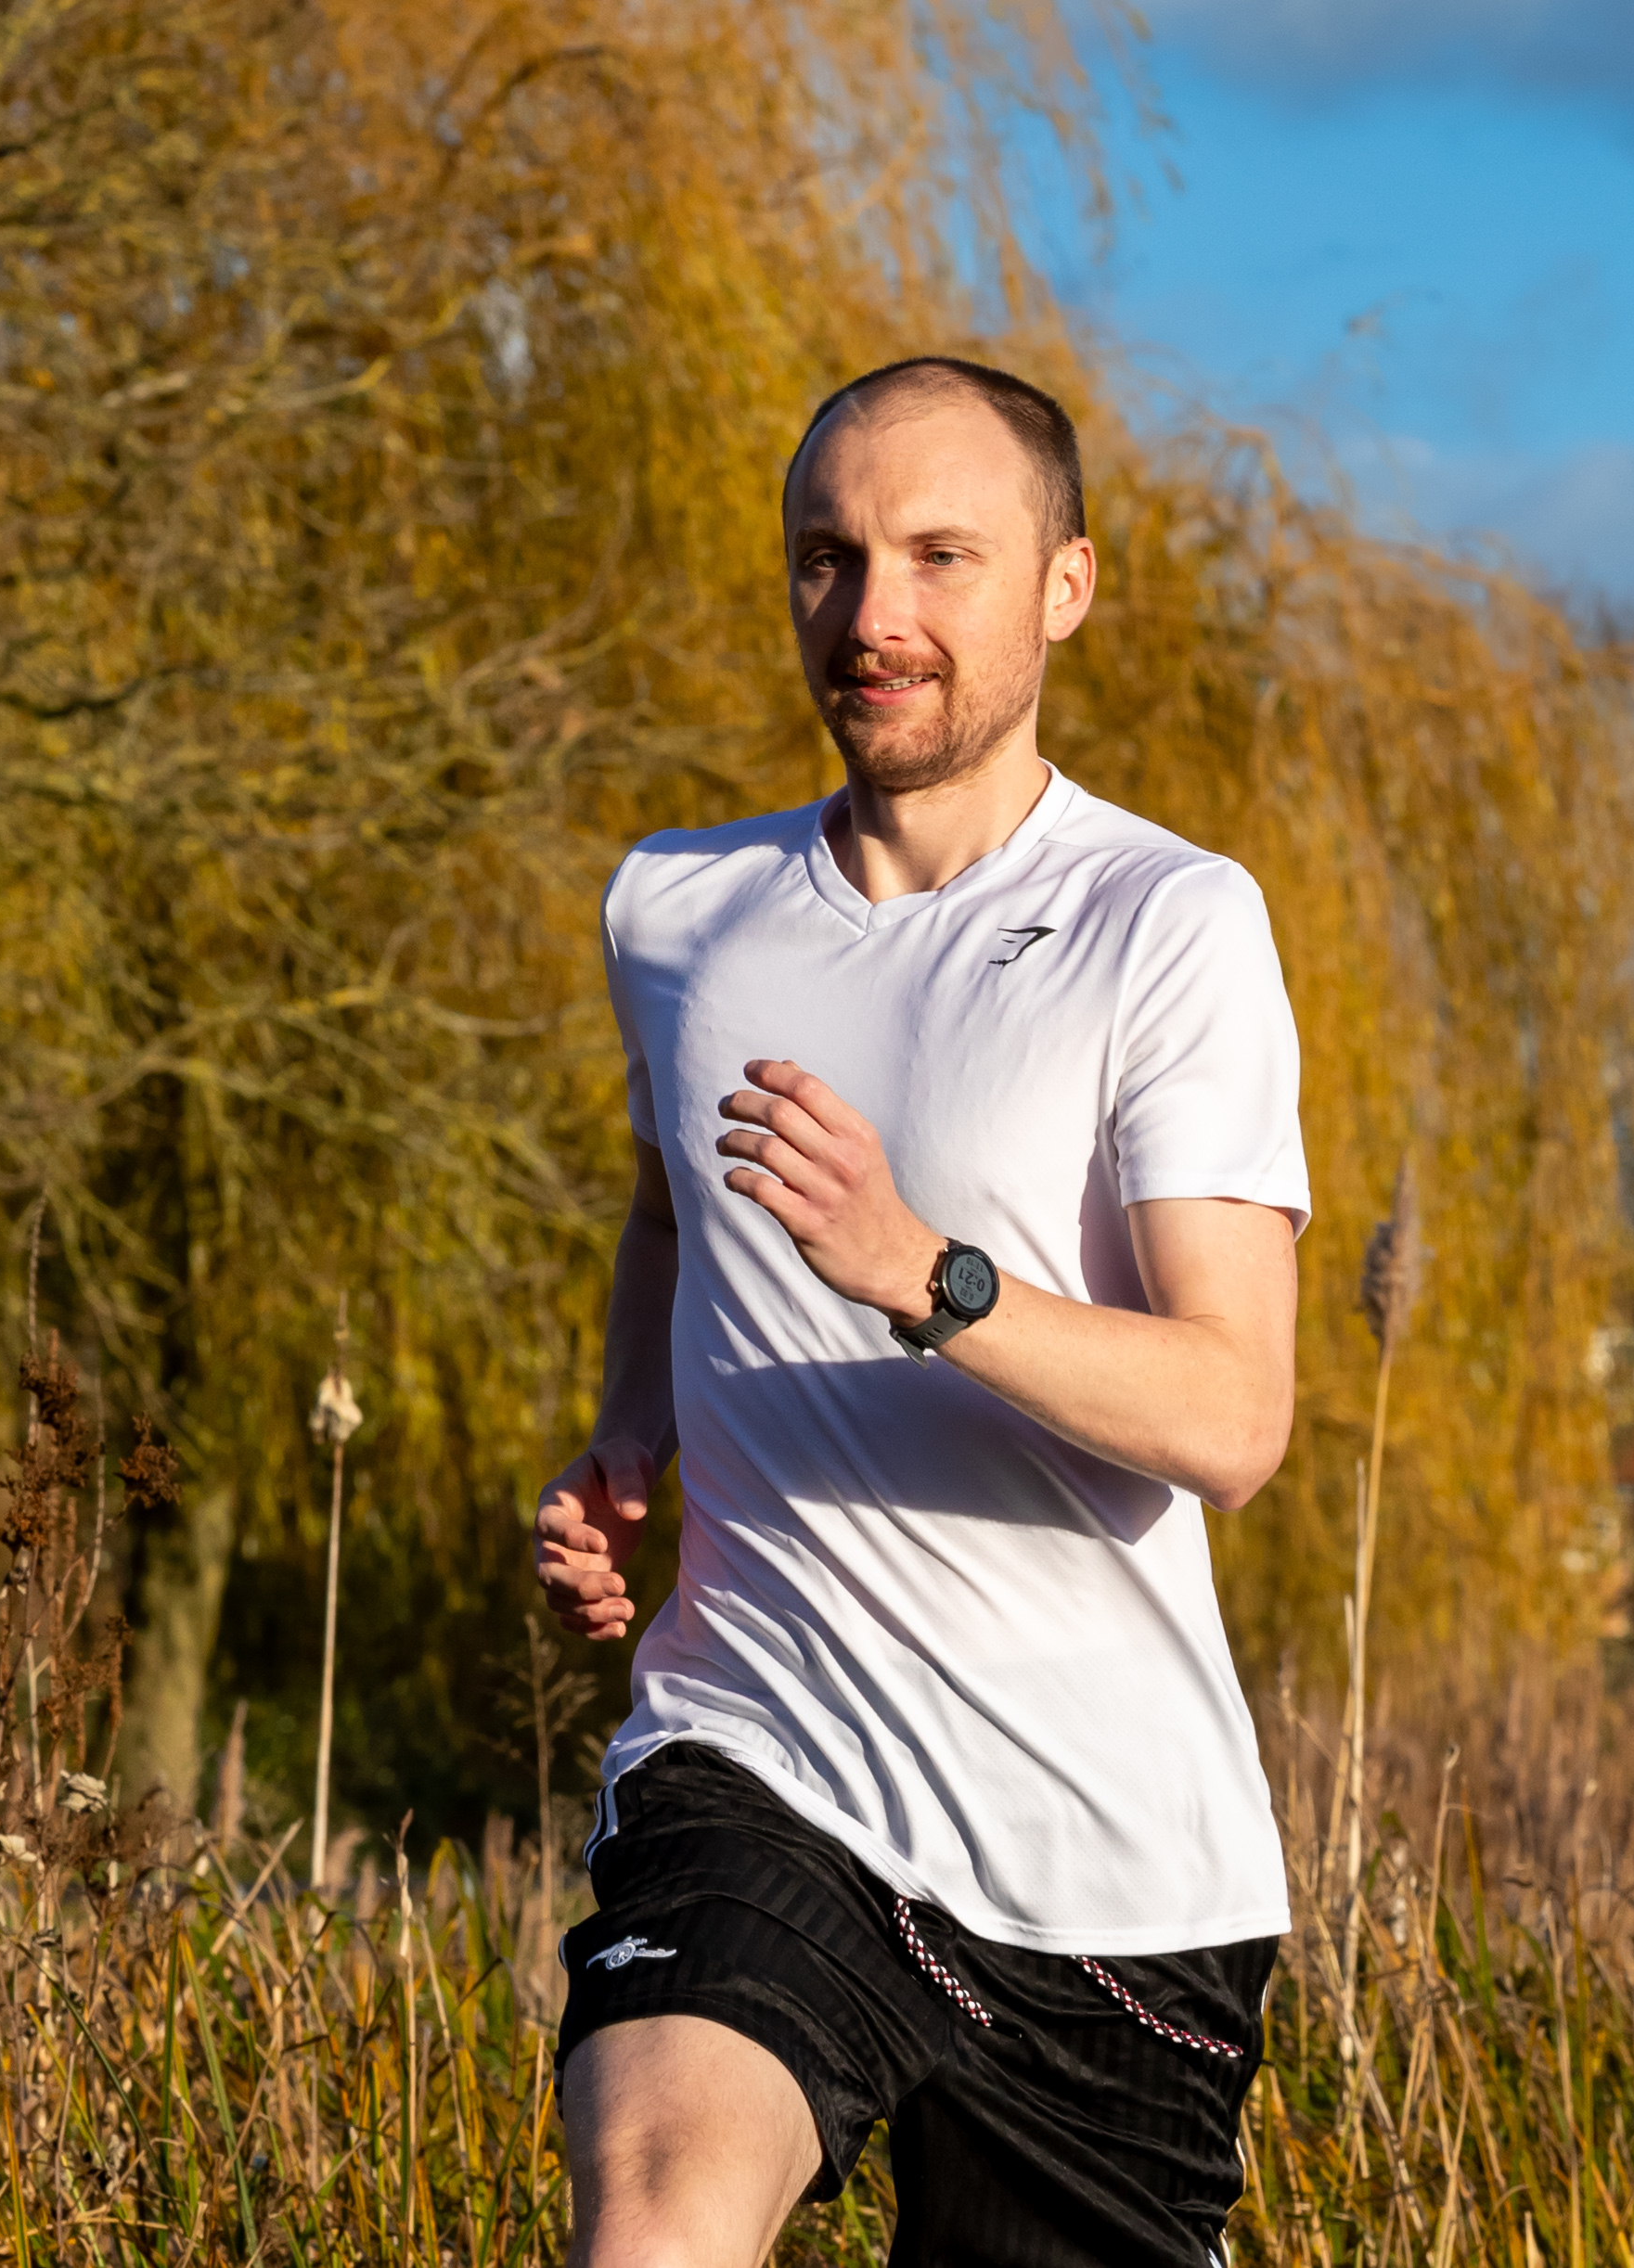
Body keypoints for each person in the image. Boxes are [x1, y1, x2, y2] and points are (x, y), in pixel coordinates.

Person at [532, 354, 1307, 2268]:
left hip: (1106, 1864)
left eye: (938, 557)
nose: (872, 616)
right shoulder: (676, 910)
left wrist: (929, 1278)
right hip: (762, 1749)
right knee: (652, 2217)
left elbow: (1233, 1413)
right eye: (829, 556)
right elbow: (666, 1203)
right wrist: (637, 1439)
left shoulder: (1168, 923)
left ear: (1064, 585)